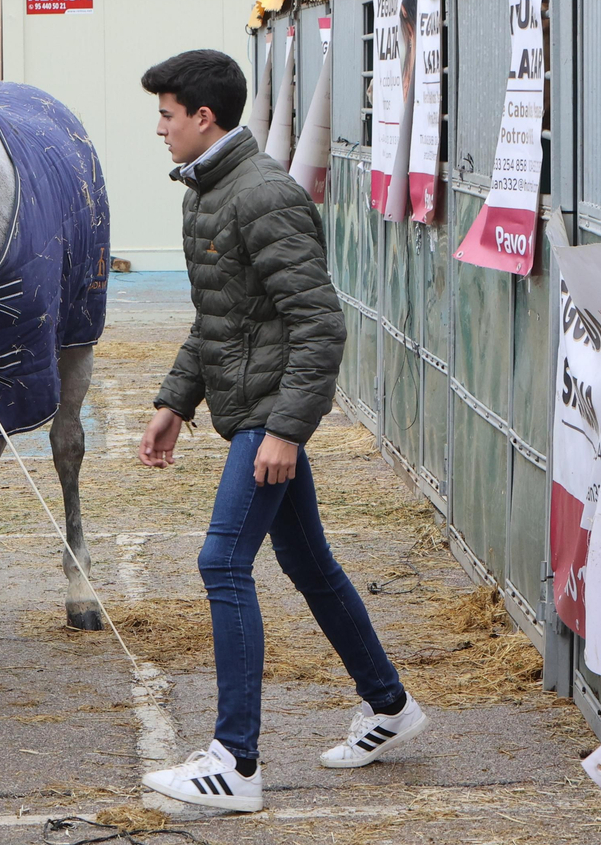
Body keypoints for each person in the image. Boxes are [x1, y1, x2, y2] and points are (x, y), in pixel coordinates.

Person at [135, 50, 428, 814]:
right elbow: (222, 317)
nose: (159, 128)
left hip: (269, 416)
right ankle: (390, 704)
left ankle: (235, 761)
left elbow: (319, 323)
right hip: (253, 411)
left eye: (167, 115)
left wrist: (286, 431)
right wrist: (175, 400)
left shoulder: (262, 195)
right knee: (310, 563)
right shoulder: (210, 190)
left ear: (204, 118)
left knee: (222, 560)